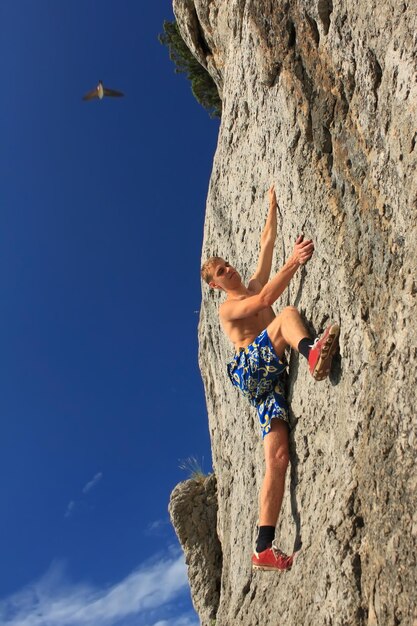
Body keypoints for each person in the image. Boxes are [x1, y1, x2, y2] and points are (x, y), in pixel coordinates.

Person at [201, 185, 339, 572]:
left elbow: (266, 241)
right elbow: (263, 304)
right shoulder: (228, 310)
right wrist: (294, 262)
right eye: (221, 272)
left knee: (278, 458)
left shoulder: (255, 283)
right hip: (251, 370)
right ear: (216, 285)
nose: (229, 269)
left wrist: (272, 205)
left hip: (268, 381)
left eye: (227, 264)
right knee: (287, 314)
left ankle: (263, 546)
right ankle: (312, 352)